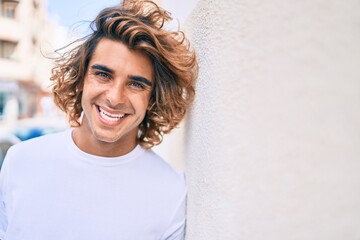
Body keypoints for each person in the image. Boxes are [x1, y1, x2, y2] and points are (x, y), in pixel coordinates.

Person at [0, 0, 198, 239]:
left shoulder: (171, 192)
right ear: (81, 78)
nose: (114, 98)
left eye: (136, 84)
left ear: (153, 99)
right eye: (103, 75)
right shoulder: (20, 161)